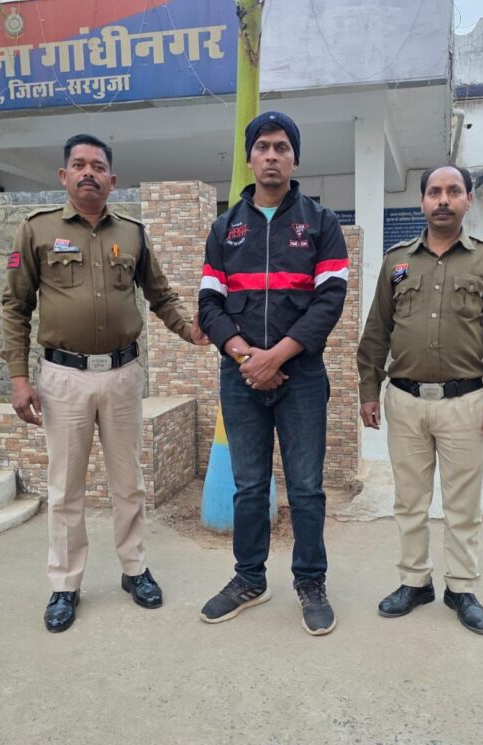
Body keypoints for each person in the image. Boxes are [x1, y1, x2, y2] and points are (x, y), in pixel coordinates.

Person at [1, 133, 209, 633]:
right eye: (79, 165)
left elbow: (160, 296)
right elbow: (15, 306)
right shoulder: (37, 229)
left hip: (121, 376)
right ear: (64, 175)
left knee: (128, 483)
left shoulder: (133, 234)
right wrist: (19, 379)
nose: (88, 173)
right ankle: (65, 584)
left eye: (98, 166)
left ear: (112, 180)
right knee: (65, 488)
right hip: (63, 378)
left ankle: (135, 569)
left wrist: (190, 330)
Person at [197, 111, 349, 636]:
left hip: (300, 377)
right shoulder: (225, 228)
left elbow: (330, 301)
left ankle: (310, 581)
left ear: (294, 159)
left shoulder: (321, 224)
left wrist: (276, 356)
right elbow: (209, 304)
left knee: (306, 488)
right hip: (241, 379)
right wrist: (246, 357)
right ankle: (249, 579)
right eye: (262, 146)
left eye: (282, 147)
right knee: (248, 487)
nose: (271, 156)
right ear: (249, 158)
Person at [357, 165, 483, 635]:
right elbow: (377, 330)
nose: (442, 200)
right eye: (434, 192)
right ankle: (414, 582)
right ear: (422, 202)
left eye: (453, 191)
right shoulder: (396, 261)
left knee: (463, 503)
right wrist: (369, 390)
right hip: (404, 401)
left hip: (464, 401)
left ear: (468, 199)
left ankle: (461, 588)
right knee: (409, 500)